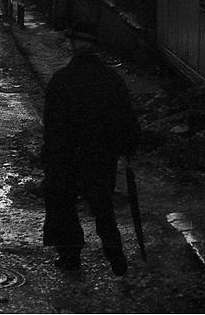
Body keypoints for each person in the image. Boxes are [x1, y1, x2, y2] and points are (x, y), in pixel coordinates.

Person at [41, 23, 140, 276]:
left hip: (68, 155)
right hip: (101, 155)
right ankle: (116, 257)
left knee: (64, 206)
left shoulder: (62, 80)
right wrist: (128, 149)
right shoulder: (112, 80)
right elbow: (127, 119)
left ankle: (71, 257)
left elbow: (52, 124)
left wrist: (49, 156)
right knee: (103, 207)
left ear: (73, 46)